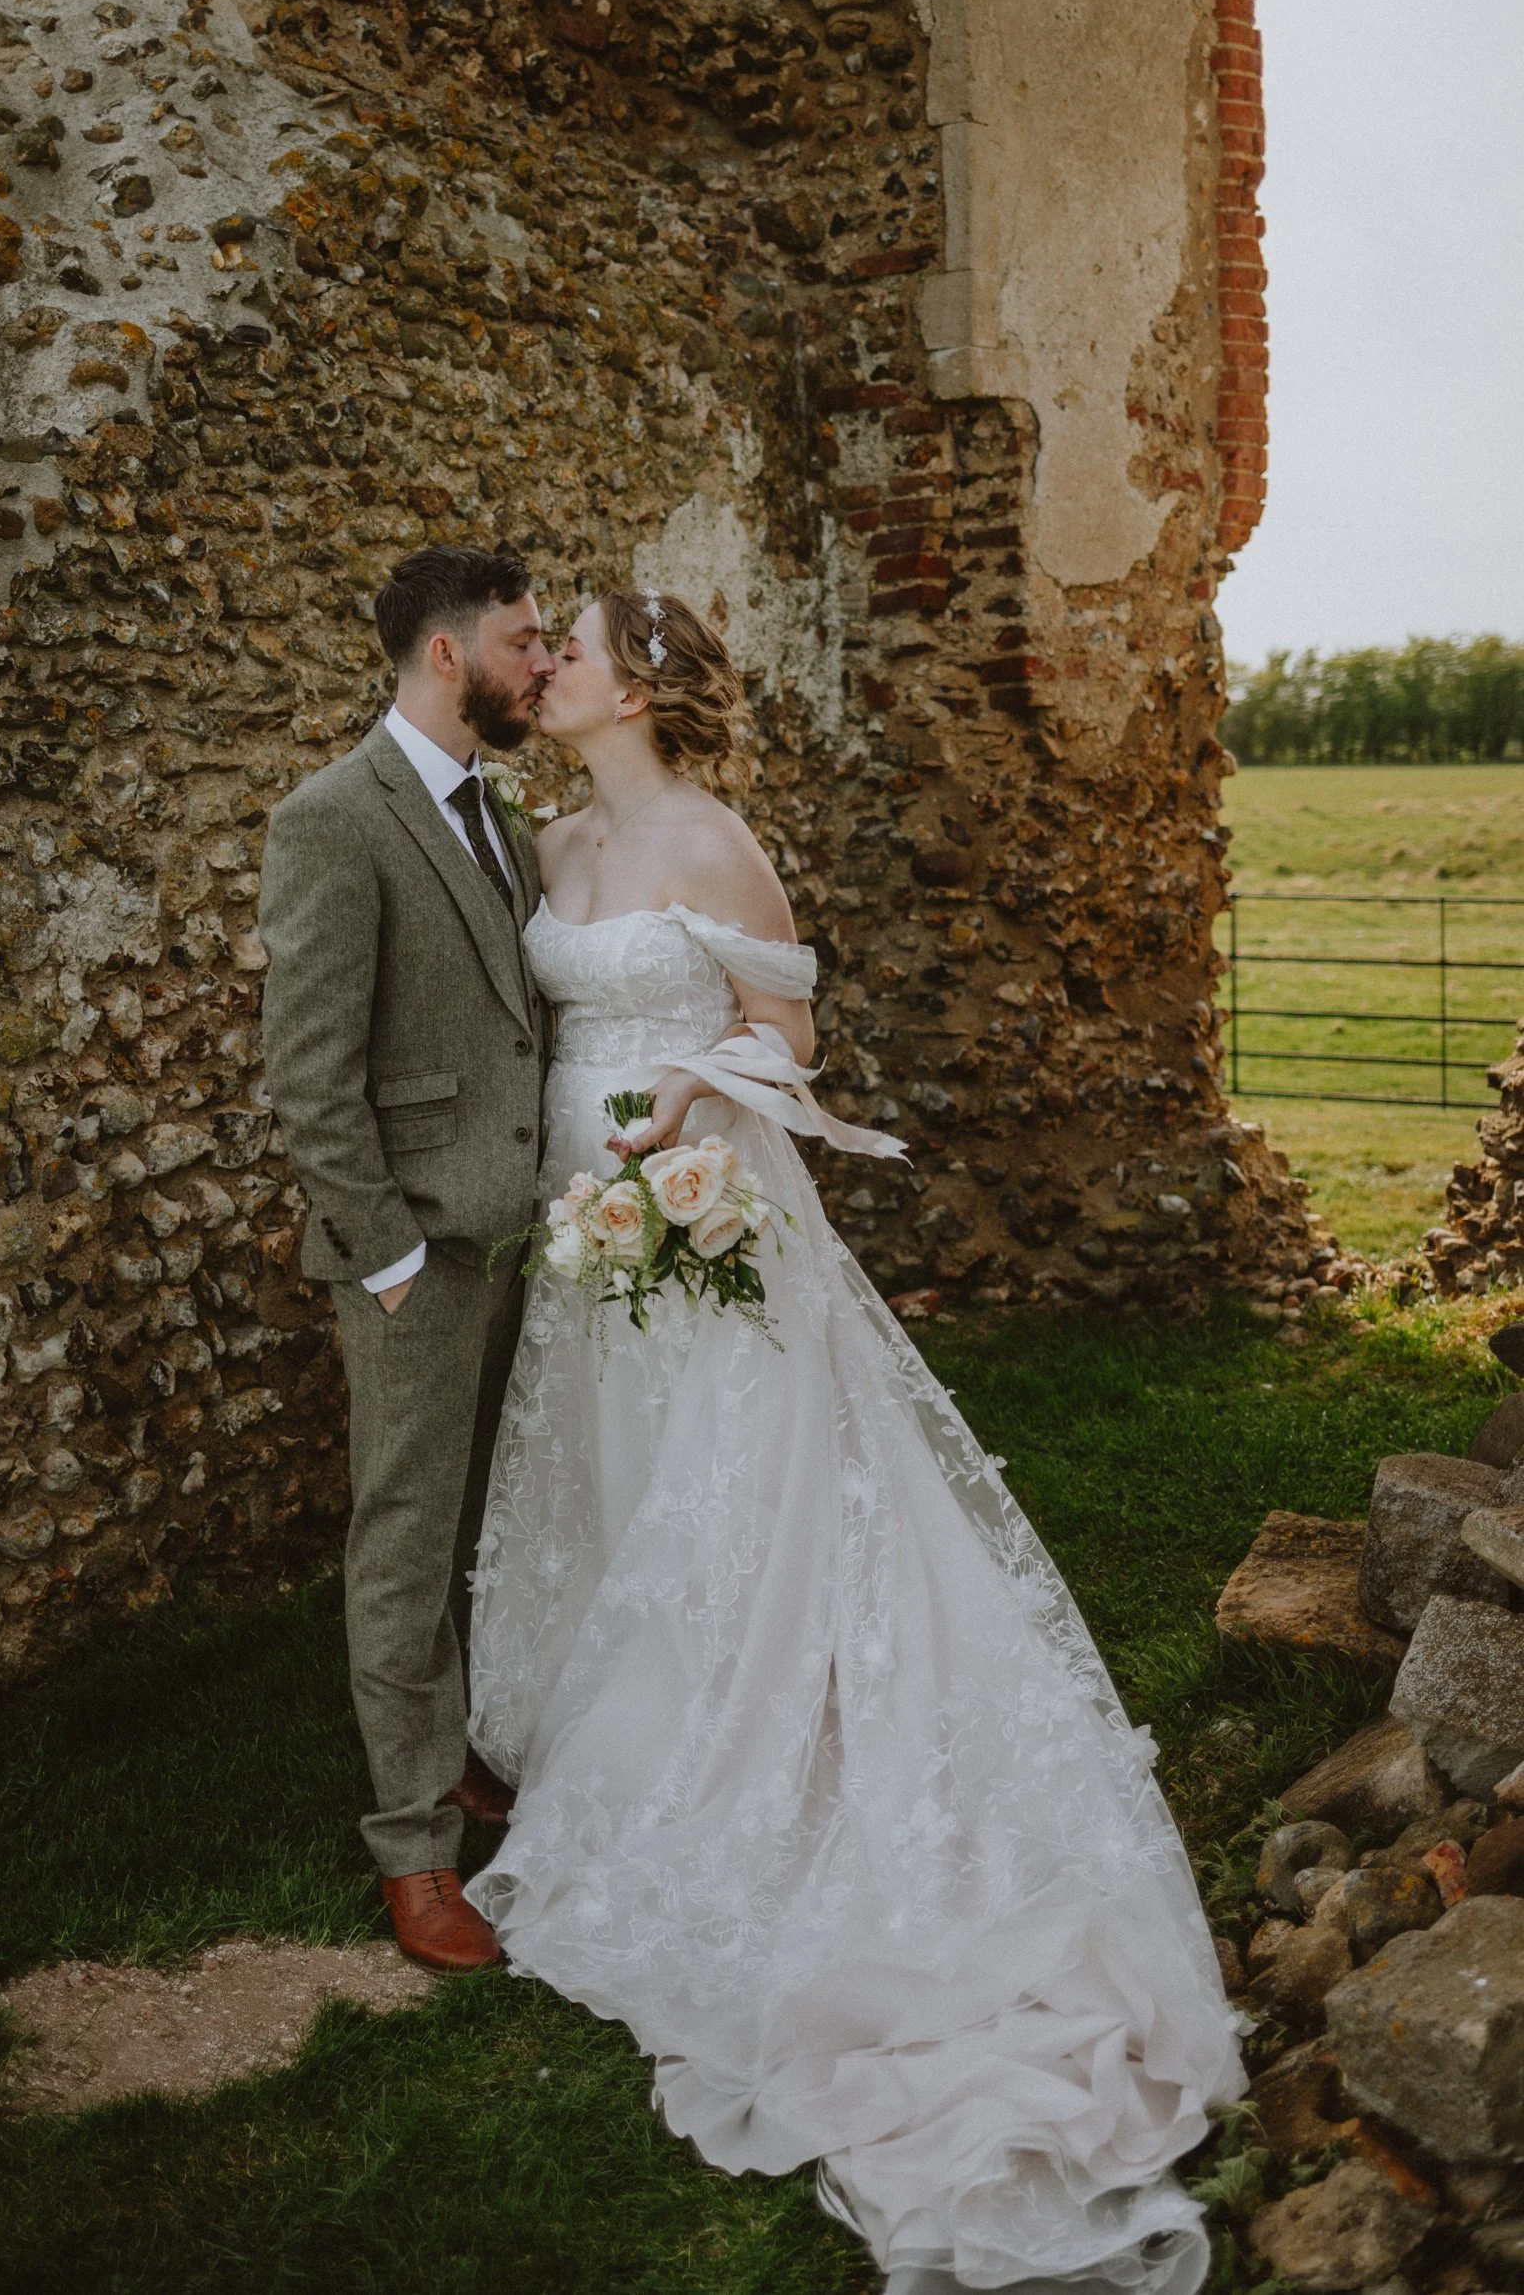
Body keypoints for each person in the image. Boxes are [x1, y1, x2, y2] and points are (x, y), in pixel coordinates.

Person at [465, 588, 1245, 2294]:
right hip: (575, 1199)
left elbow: (792, 1033)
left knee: (731, 1482)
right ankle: (627, 1711)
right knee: (616, 1473)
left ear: (643, 682)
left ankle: (749, 1744)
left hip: (704, 1197)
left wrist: (691, 1104)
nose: (554, 667)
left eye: (577, 646)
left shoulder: (711, 836)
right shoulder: (552, 834)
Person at [258, 545, 556, 1972]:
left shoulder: (497, 813)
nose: (545, 661)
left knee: (468, 1524)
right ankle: (412, 1850)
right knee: (400, 1538)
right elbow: (308, 1070)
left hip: (514, 1236)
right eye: (525, 638)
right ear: (449, 655)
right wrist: (380, 1255)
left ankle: (449, 1757)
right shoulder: (335, 817)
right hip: (416, 1254)